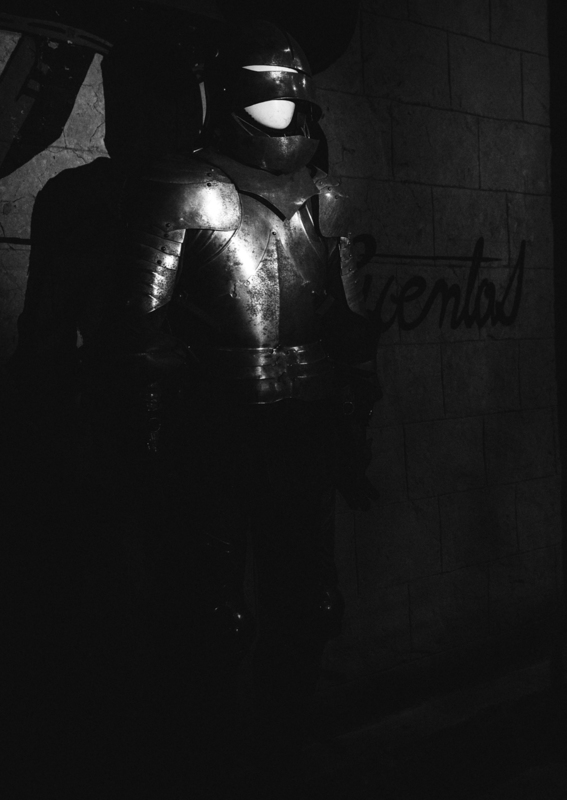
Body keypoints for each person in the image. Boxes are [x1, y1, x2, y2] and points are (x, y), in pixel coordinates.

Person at [85, 18, 380, 787]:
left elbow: (351, 332)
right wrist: (147, 438)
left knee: (313, 604)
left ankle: (284, 750)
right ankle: (205, 764)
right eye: (262, 98)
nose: (280, 115)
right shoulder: (184, 188)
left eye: (290, 99)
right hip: (211, 424)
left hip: (307, 422)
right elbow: (136, 331)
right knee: (213, 617)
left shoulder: (327, 197)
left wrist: (355, 424)